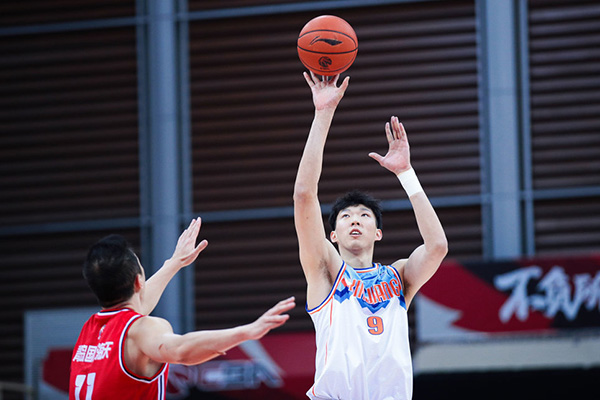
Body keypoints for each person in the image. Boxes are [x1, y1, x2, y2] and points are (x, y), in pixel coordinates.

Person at [293, 72, 448, 400]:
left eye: (364, 215)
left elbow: (437, 247)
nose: (355, 220)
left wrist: (406, 173)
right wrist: (323, 113)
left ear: (378, 233)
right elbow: (304, 195)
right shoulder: (325, 272)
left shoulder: (399, 277)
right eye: (346, 216)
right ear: (332, 235)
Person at [69, 217, 295, 399]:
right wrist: (246, 332)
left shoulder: (90, 330)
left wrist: (175, 262)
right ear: (139, 281)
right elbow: (180, 350)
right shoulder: (141, 329)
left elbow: (137, 303)